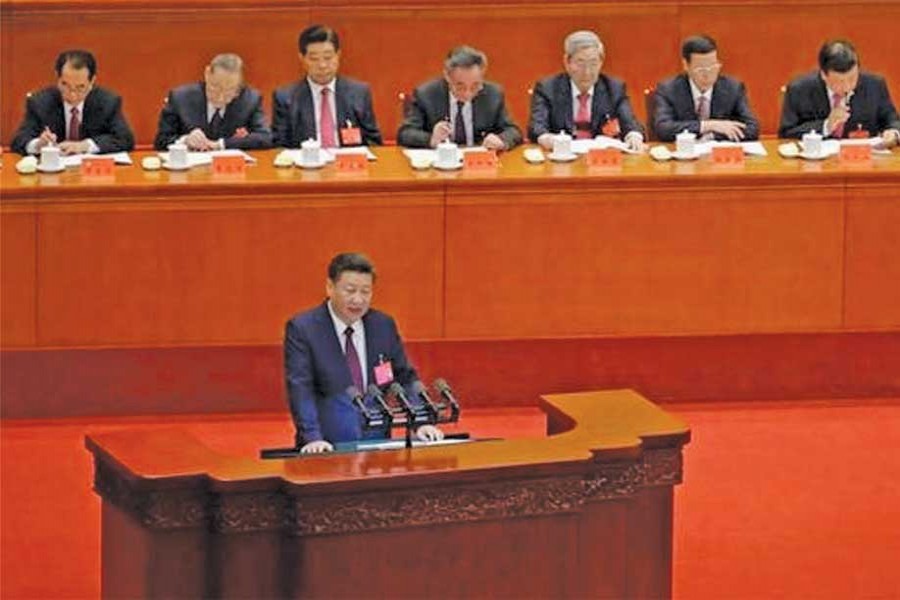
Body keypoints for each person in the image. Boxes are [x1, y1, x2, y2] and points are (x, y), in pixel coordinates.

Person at [284, 253, 444, 453]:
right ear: (330, 287)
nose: (358, 300)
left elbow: (404, 376)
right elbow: (301, 389)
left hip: (377, 448)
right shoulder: (304, 329)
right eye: (350, 291)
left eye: (365, 291)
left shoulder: (382, 326)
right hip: (326, 448)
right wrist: (312, 437)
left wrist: (422, 421)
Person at [528, 31, 644, 151]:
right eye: (580, 63)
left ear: (601, 62)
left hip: (601, 162)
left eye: (593, 63)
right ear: (567, 62)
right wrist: (546, 138)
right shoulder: (548, 88)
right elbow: (536, 127)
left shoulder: (614, 88)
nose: (587, 72)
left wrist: (634, 136)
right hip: (561, 160)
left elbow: (630, 122)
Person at [272, 25, 382, 148]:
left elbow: (374, 142)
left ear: (338, 55)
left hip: (348, 164)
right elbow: (279, 147)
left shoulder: (359, 93)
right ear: (302, 59)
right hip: (306, 164)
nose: (322, 65)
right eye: (314, 59)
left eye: (328, 57)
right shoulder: (286, 98)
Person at [397, 45, 522, 150]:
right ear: (447, 76)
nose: (467, 94)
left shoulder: (493, 94)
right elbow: (405, 134)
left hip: (479, 167)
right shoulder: (426, 94)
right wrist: (431, 139)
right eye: (460, 87)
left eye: (475, 86)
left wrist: (501, 140)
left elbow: (513, 131)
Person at [11, 49, 134, 155]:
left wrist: (83, 146)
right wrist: (38, 144)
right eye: (65, 85)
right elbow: (19, 141)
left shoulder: (108, 102)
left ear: (92, 82)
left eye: (80, 87)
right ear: (57, 78)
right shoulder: (40, 102)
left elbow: (125, 140)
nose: (72, 95)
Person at [779, 39, 900, 147]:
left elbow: (892, 120)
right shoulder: (799, 89)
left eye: (852, 78)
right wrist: (826, 125)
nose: (847, 86)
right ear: (823, 75)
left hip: (863, 162)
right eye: (839, 81)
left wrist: (893, 132)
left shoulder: (875, 85)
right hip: (817, 165)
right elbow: (786, 133)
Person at [153, 53, 272, 151]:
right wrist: (185, 140)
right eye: (215, 88)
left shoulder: (250, 99)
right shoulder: (180, 97)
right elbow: (161, 142)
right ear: (207, 74)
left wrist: (220, 144)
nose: (220, 98)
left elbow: (265, 138)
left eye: (229, 92)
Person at [653, 34, 759, 142]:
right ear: (686, 65)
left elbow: (752, 129)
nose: (707, 75)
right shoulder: (668, 90)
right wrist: (707, 125)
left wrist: (713, 136)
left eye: (713, 67)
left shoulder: (733, 88)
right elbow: (663, 129)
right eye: (701, 69)